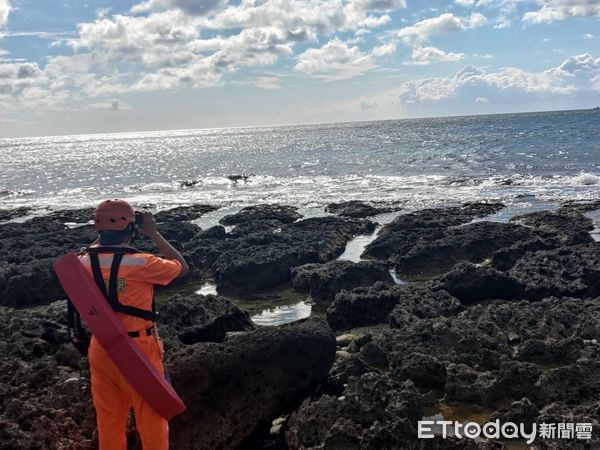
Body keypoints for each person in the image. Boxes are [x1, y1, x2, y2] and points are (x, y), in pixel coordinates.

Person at [79, 199, 189, 450]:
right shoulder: (142, 263)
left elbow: (96, 252)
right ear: (129, 228)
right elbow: (181, 268)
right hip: (139, 347)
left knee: (109, 420)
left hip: (101, 347)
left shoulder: (82, 261)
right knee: (152, 419)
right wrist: (153, 233)